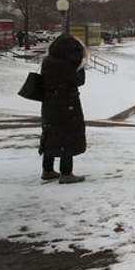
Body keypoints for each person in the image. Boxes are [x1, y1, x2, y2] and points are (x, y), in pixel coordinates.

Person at [39, 33, 88, 184]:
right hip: (67, 105)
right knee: (68, 136)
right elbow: (79, 81)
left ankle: (47, 170)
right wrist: (80, 67)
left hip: (49, 104)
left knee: (50, 133)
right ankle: (66, 172)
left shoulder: (47, 61)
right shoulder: (66, 65)